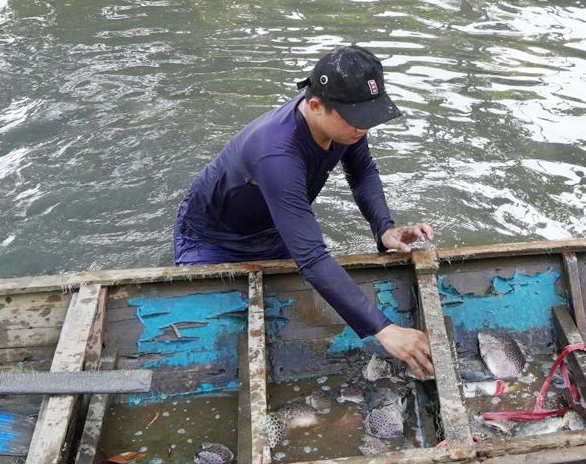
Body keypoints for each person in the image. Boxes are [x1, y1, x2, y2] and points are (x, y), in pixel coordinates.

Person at [173, 46, 435, 377]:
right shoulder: (276, 153)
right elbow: (311, 258)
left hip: (273, 229)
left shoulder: (344, 125)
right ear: (315, 106)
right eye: (358, 120)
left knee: (297, 322)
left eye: (370, 118)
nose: (363, 129)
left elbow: (362, 172)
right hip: (211, 240)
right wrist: (384, 330)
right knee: (211, 345)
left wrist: (384, 229)